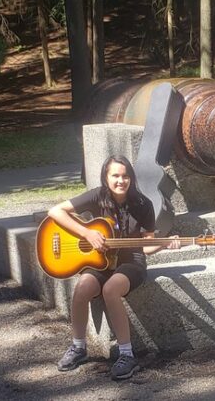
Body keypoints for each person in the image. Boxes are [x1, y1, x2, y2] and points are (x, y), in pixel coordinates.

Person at [47, 155, 179, 380]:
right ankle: (78, 347)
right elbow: (55, 211)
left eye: (125, 175)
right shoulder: (97, 196)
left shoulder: (143, 204)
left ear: (131, 178)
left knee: (110, 289)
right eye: (115, 175)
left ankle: (126, 354)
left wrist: (164, 244)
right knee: (82, 288)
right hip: (101, 260)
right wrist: (87, 232)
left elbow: (145, 246)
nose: (121, 180)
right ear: (106, 177)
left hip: (132, 262)